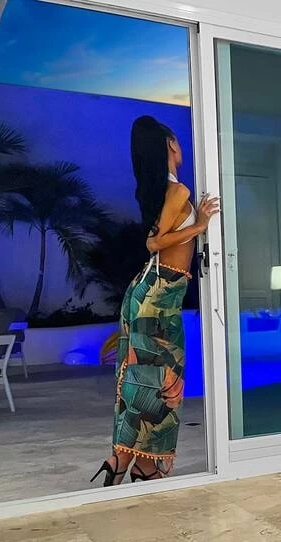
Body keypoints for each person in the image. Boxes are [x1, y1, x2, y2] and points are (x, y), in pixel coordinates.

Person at [91, 116, 219, 486]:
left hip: (151, 294)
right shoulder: (176, 192)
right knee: (162, 384)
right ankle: (143, 466)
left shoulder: (165, 191)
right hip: (158, 296)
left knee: (140, 381)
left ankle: (121, 461)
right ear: (170, 144)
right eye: (177, 140)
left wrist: (193, 227)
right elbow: (154, 242)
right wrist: (200, 226)